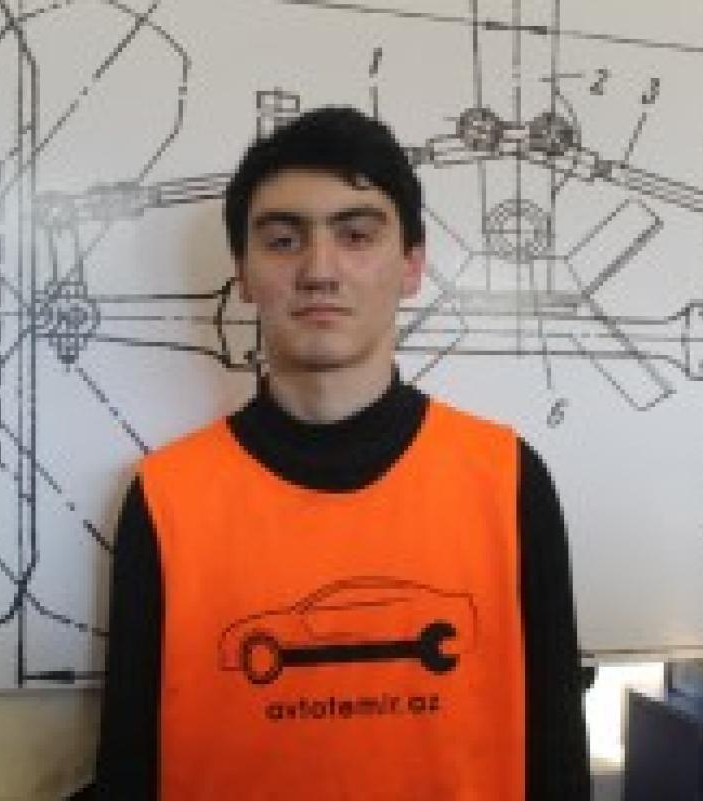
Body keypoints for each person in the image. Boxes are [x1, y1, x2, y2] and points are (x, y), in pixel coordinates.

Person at [84, 106, 590, 800]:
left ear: (412, 265)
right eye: (283, 240)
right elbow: (128, 769)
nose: (320, 270)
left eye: (356, 235)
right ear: (243, 272)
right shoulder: (167, 498)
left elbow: (559, 762)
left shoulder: (505, 480)